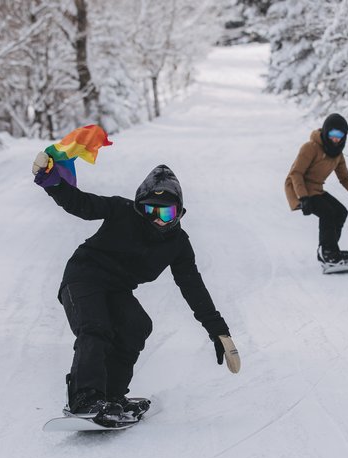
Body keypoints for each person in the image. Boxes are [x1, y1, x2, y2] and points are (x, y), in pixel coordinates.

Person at [32, 154, 240, 421]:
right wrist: (53, 182)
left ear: (180, 212)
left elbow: (193, 287)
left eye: (167, 212)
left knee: (136, 325)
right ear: (139, 207)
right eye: (151, 210)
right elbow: (81, 204)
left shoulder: (177, 244)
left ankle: (111, 396)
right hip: (82, 278)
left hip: (116, 288)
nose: (159, 219)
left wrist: (219, 332)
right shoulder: (121, 211)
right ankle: (86, 398)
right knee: (96, 328)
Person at [284, 113, 348, 265]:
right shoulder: (310, 148)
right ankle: (327, 252)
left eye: (340, 135)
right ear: (326, 131)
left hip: (316, 189)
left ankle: (330, 250)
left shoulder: (337, 154)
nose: (336, 138)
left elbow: (344, 178)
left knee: (341, 212)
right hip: (299, 187)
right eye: (333, 134)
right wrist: (303, 197)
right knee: (328, 213)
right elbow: (295, 173)